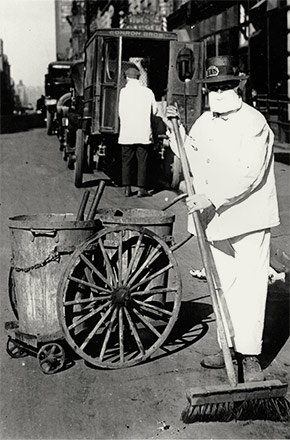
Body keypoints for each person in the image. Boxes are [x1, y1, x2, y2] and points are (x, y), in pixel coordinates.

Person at [165, 55, 279, 382]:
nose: (218, 92)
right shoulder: (204, 121)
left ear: (235, 86)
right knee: (222, 284)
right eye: (213, 87)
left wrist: (211, 196)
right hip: (214, 217)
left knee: (251, 285)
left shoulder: (253, 122)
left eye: (224, 86)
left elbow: (249, 173)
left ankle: (251, 354)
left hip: (248, 217)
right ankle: (227, 347)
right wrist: (174, 129)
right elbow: (190, 157)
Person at [118, 64, 158, 197]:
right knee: (142, 160)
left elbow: (120, 113)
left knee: (126, 161)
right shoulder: (148, 92)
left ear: (127, 78)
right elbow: (155, 111)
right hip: (143, 132)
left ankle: (127, 188)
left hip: (127, 134)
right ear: (138, 78)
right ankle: (141, 189)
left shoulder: (123, 92)